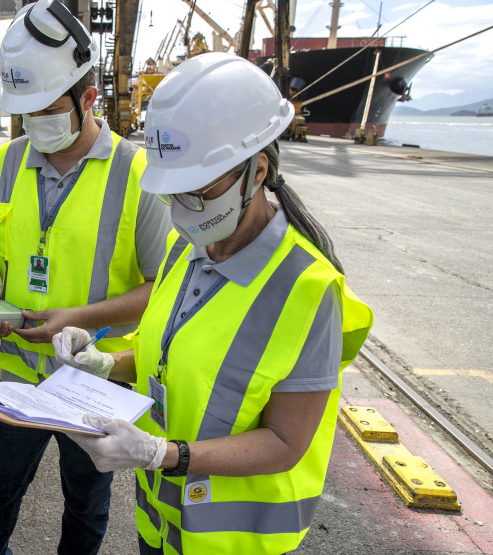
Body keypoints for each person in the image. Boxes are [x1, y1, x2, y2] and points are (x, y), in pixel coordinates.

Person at [53, 53, 375, 554]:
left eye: (197, 192)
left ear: (257, 170)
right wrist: (105, 364)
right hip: (160, 526)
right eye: (173, 193)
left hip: (235, 541)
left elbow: (286, 443)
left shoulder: (308, 289)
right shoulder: (187, 249)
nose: (182, 211)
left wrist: (165, 454)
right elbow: (178, 361)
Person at [0, 1, 171, 553]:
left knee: (85, 504)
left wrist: (77, 318)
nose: (36, 124)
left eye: (48, 110)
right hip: (17, 377)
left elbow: (161, 289)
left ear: (89, 98)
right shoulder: (6, 163)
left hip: (95, 381)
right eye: (26, 114)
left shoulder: (138, 174)